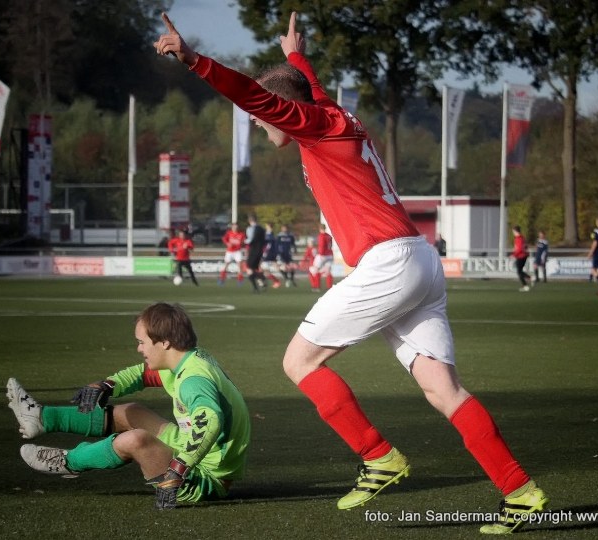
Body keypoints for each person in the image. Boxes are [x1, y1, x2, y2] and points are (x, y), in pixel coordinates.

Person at [155, 11, 548, 534]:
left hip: (389, 262)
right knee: (444, 390)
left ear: (287, 111)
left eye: (265, 116)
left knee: (298, 361)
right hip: (418, 260)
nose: (258, 121)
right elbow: (305, 87)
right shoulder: (330, 113)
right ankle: (520, 491)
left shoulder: (313, 124)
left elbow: (255, 95)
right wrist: (296, 55)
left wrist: (192, 59)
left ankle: (378, 456)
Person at [6, 302, 251, 509]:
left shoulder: (193, 380)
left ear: (164, 342)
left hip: (201, 480)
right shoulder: (186, 359)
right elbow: (144, 375)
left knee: (135, 440)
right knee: (132, 412)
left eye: (142, 342)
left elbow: (210, 421)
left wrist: (177, 469)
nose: (139, 348)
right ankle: (41, 418)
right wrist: (108, 385)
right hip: (194, 454)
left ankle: (67, 461)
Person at [245, 214, 267, 292]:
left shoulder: (253, 229)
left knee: (249, 269)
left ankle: (256, 286)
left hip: (254, 251)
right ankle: (261, 280)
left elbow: (252, 240)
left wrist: (244, 242)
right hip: (259, 251)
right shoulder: (261, 229)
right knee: (253, 269)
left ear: (249, 220)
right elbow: (264, 241)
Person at [309, 223, 334, 292]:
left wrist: (320, 254)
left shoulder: (321, 236)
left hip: (323, 255)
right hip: (330, 255)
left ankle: (316, 287)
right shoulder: (329, 236)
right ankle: (330, 287)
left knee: (314, 269)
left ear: (319, 229)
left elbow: (322, 246)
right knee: (328, 271)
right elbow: (330, 245)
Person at [261, 222, 282, 288]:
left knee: (264, 271)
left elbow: (272, 247)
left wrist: (275, 256)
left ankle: (276, 281)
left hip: (268, 255)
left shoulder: (271, 236)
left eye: (267, 226)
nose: (266, 227)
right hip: (266, 255)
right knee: (264, 271)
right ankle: (274, 281)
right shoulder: (267, 235)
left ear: (270, 227)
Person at [511, 226, 531, 292]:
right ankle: (527, 283)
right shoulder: (522, 238)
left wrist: (513, 255)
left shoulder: (518, 238)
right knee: (520, 271)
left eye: (513, 231)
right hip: (524, 256)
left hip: (521, 256)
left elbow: (519, 249)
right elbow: (525, 246)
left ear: (515, 231)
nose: (513, 233)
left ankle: (526, 284)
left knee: (519, 271)